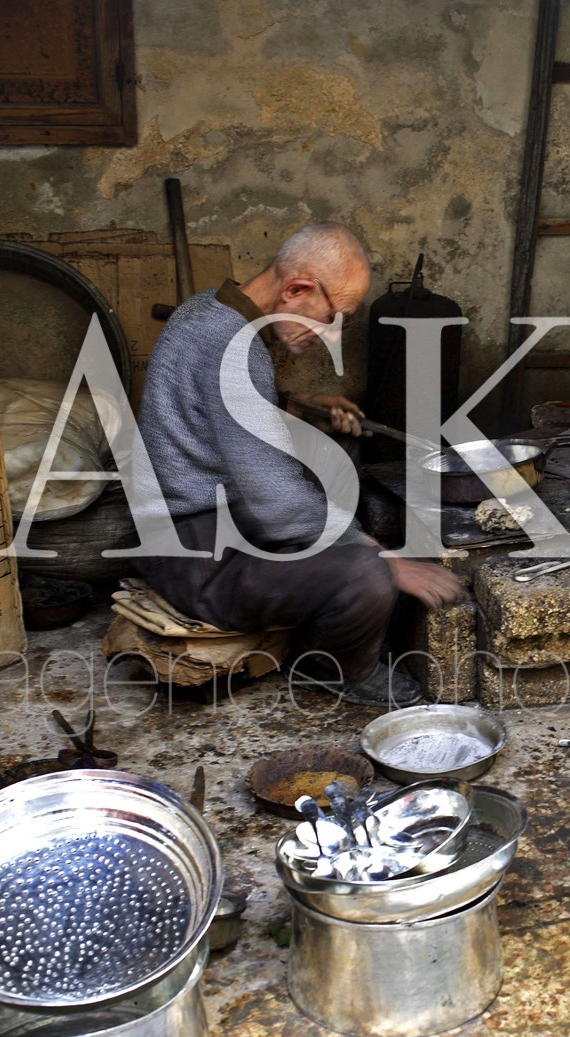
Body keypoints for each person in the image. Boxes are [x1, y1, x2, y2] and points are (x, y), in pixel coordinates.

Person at [131, 221, 462, 705]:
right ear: (297, 289)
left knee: (334, 485)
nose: (332, 336)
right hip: (197, 555)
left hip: (198, 527)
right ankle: (332, 667)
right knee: (365, 574)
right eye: (333, 318)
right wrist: (379, 556)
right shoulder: (231, 346)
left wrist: (297, 403)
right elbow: (275, 500)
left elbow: (215, 404)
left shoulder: (207, 309)